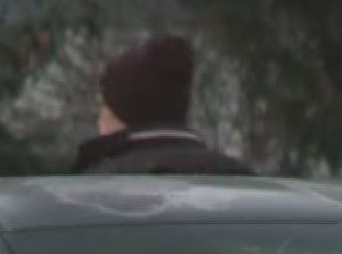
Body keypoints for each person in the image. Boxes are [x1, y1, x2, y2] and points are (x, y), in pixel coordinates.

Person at [70, 35, 255, 176]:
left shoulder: (98, 190)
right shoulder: (240, 181)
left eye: (105, 106)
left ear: (120, 116)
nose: (99, 120)